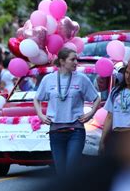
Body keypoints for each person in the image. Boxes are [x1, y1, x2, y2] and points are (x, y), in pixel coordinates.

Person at [33, 47, 101, 175]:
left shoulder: (81, 78)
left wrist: (90, 114)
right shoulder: (48, 79)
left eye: (77, 59)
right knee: (60, 172)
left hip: (76, 131)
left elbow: (97, 98)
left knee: (71, 169)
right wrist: (41, 115)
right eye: (72, 59)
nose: (76, 62)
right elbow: (36, 99)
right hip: (55, 132)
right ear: (62, 61)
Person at [99, 60, 130, 155]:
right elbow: (109, 116)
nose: (128, 76)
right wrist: (102, 140)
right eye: (127, 72)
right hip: (116, 134)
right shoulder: (115, 90)